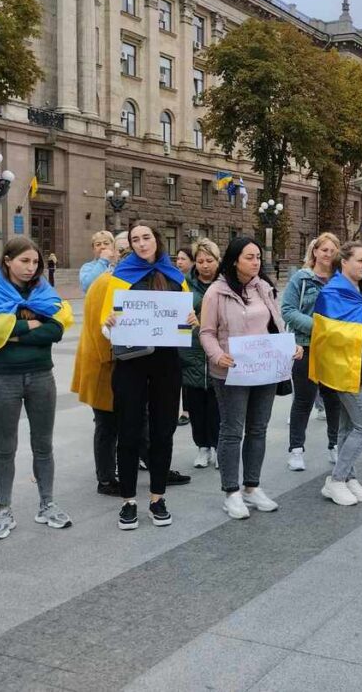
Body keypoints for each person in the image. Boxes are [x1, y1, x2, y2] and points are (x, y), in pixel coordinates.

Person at [0, 236, 75, 540]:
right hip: (3, 378)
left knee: (43, 445)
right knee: (5, 447)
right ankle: (4, 510)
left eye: (35, 261)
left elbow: (56, 330)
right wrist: (32, 325)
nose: (30, 267)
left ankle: (47, 504)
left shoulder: (43, 290)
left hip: (40, 376)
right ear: (8, 261)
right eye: (24, 261)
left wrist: (13, 331)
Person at [200, 236, 302, 519]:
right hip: (231, 372)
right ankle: (230, 492)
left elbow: (275, 324)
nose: (256, 262)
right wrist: (217, 355)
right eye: (249, 257)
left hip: (265, 370)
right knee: (232, 430)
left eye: (258, 256)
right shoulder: (216, 293)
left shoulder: (265, 288)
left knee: (258, 429)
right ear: (235, 260)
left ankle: (252, 486)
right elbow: (206, 332)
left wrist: (289, 347)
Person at [101, 222, 195, 529]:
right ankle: (128, 500)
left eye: (146, 237)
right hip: (131, 361)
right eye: (135, 240)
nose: (142, 244)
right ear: (130, 245)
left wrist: (191, 319)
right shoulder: (120, 277)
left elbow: (184, 319)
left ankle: (157, 497)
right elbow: (105, 323)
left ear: (157, 240)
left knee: (163, 430)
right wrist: (111, 323)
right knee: (128, 429)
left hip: (167, 362)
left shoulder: (175, 275)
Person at [309, 242, 362, 505]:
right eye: (360, 260)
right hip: (344, 368)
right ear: (343, 261)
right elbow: (330, 333)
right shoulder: (332, 292)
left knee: (347, 427)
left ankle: (349, 478)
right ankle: (337, 479)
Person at [281, 232, 343, 471]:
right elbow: (287, 310)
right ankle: (296, 450)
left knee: (333, 399)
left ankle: (334, 445)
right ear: (315, 252)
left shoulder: (341, 280)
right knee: (303, 400)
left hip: (334, 348)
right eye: (324, 249)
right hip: (305, 346)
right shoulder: (302, 278)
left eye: (333, 250)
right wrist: (317, 327)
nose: (328, 254)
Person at [71, 258, 121, 496]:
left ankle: (144, 463)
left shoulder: (110, 280)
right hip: (105, 365)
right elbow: (102, 329)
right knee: (107, 425)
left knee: (115, 424)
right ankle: (106, 478)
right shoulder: (108, 283)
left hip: (107, 364)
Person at [180, 239, 221, 469]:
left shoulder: (224, 284)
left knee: (217, 405)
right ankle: (202, 447)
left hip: (217, 352)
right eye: (201, 260)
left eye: (210, 260)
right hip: (192, 353)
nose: (205, 265)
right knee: (195, 404)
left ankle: (217, 445)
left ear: (218, 261)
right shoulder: (185, 285)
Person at [174, 246, 196, 427]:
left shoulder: (195, 283)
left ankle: (188, 410)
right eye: (178, 259)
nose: (179, 262)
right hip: (178, 333)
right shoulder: (174, 279)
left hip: (194, 334)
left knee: (189, 373)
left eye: (183, 259)